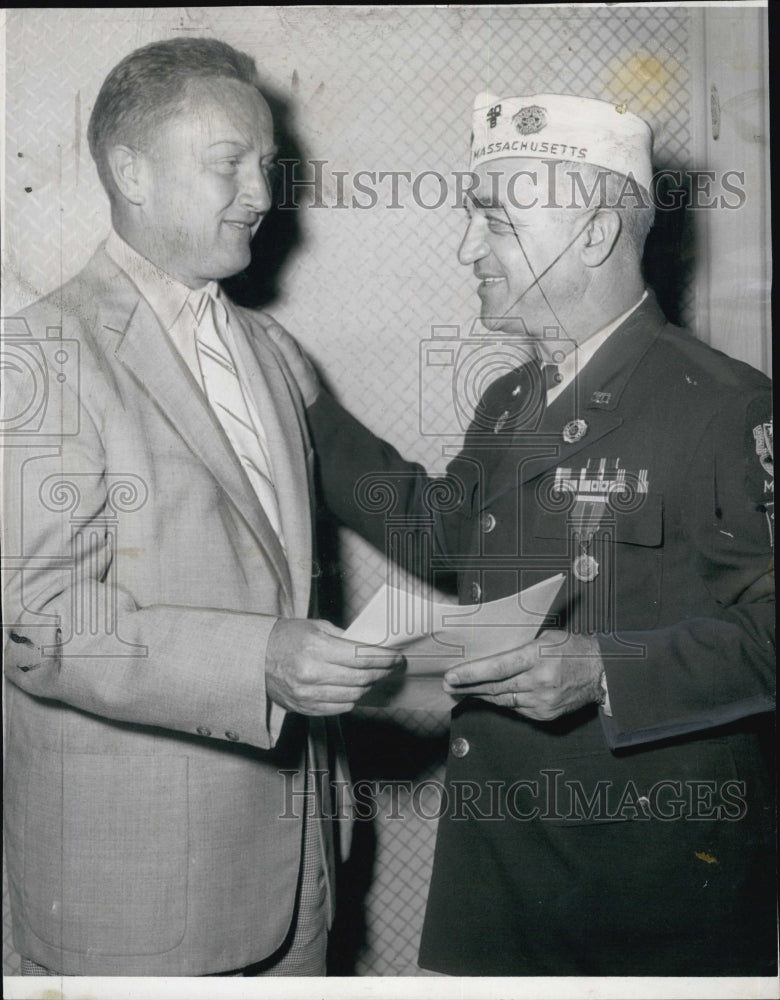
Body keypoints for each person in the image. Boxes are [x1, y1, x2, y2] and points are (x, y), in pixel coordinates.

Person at [286, 93, 776, 975]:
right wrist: (307, 412)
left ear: (592, 236)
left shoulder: (727, 408)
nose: (468, 249)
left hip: (644, 903)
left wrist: (603, 670)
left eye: (497, 225)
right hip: (499, 877)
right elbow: (441, 536)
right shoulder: (513, 398)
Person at [1, 37, 401, 977]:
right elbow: (36, 620)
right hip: (134, 899)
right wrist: (259, 659)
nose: (262, 193)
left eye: (268, 164)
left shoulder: (271, 351)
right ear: (130, 171)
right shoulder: (39, 354)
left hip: (301, 869)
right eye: (231, 164)